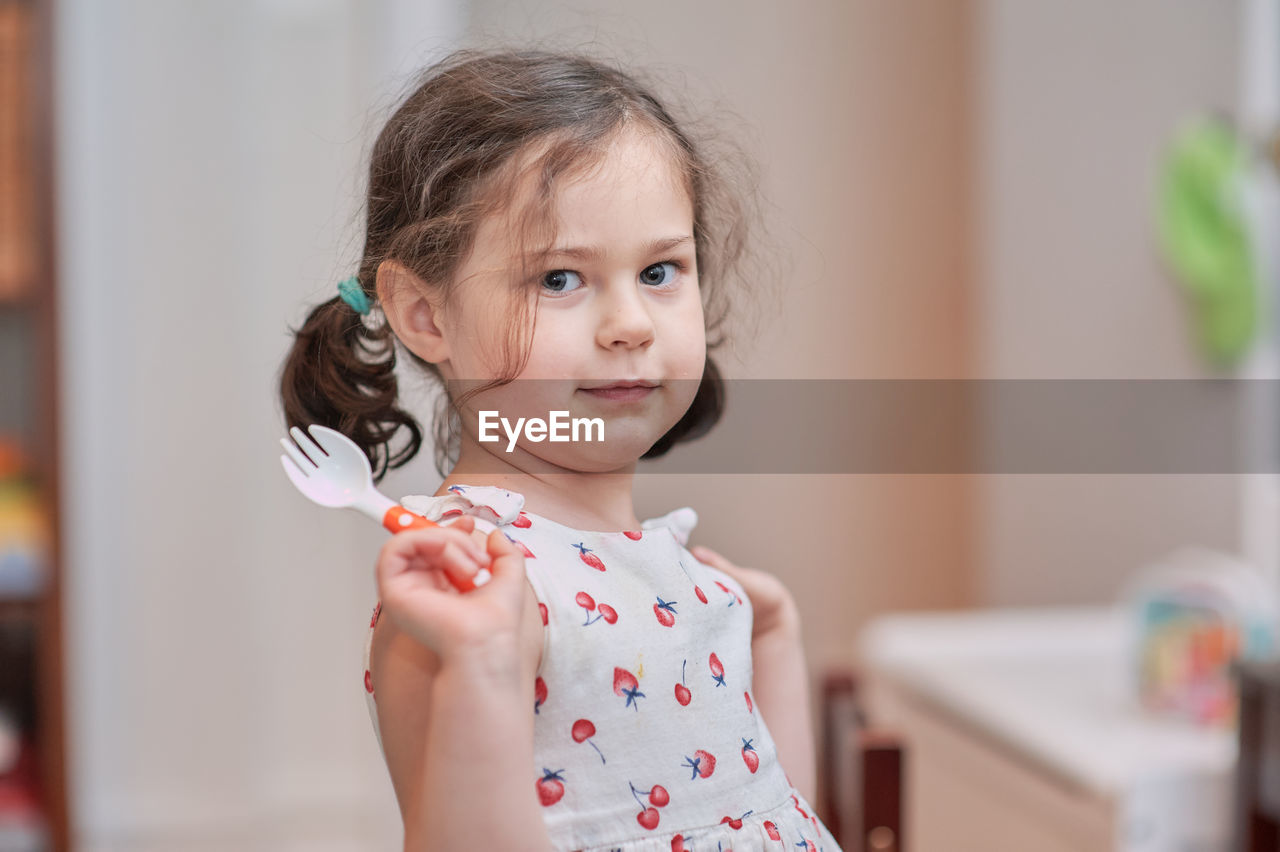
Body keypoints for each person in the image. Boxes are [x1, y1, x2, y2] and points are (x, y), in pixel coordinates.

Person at [279, 46, 842, 852]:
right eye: (559, 280)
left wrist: (773, 640)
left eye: (660, 271)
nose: (631, 324)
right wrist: (479, 664)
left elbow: (776, 822)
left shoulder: (674, 572)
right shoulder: (465, 593)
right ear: (424, 315)